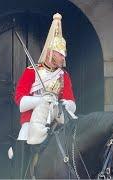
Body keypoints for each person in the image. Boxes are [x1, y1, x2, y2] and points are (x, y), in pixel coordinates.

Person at [11, 13, 76, 178]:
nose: (63, 57)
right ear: (51, 53)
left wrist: (60, 103)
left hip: (57, 118)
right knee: (24, 135)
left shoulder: (64, 76)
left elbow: (71, 102)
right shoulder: (31, 72)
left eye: (64, 54)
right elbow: (20, 100)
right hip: (32, 119)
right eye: (60, 54)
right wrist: (41, 100)